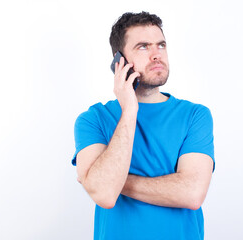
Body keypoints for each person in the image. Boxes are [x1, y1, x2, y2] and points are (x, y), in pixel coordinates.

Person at [72, 11, 215, 240]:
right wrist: (129, 109)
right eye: (143, 47)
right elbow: (107, 196)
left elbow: (192, 193)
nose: (157, 54)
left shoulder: (195, 115)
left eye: (161, 45)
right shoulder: (93, 119)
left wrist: (109, 181)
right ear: (120, 61)